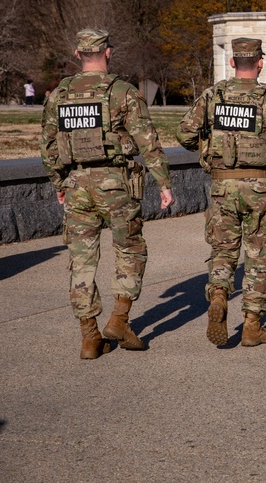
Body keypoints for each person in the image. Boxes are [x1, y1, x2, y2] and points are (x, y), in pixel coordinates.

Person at [40, 28, 174, 359]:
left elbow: (47, 146)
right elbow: (148, 141)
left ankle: (89, 338)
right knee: (129, 249)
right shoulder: (122, 92)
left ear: (77, 54)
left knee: (81, 260)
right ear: (108, 53)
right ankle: (119, 319)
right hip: (116, 184)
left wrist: (59, 183)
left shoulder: (60, 94)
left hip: (76, 185)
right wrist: (164, 183)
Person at [177, 38, 266, 348]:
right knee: (258, 256)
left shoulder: (213, 96)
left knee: (223, 251)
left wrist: (206, 139)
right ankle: (252, 325)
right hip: (260, 190)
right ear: (260, 63)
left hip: (223, 186)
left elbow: (183, 133)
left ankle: (220, 294)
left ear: (233, 62)